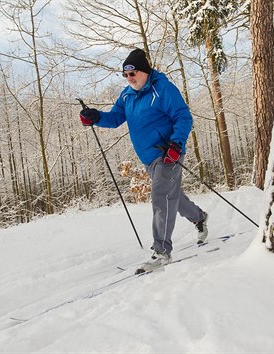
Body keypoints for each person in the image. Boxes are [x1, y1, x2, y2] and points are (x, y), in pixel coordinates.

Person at [79, 48, 208, 272]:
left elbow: (182, 116)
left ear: (145, 71)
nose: (129, 78)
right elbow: (116, 118)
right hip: (148, 158)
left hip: (167, 152)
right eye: (125, 75)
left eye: (133, 74)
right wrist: (96, 117)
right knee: (171, 196)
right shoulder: (127, 95)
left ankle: (161, 251)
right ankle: (199, 217)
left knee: (161, 197)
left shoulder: (162, 89)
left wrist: (176, 144)